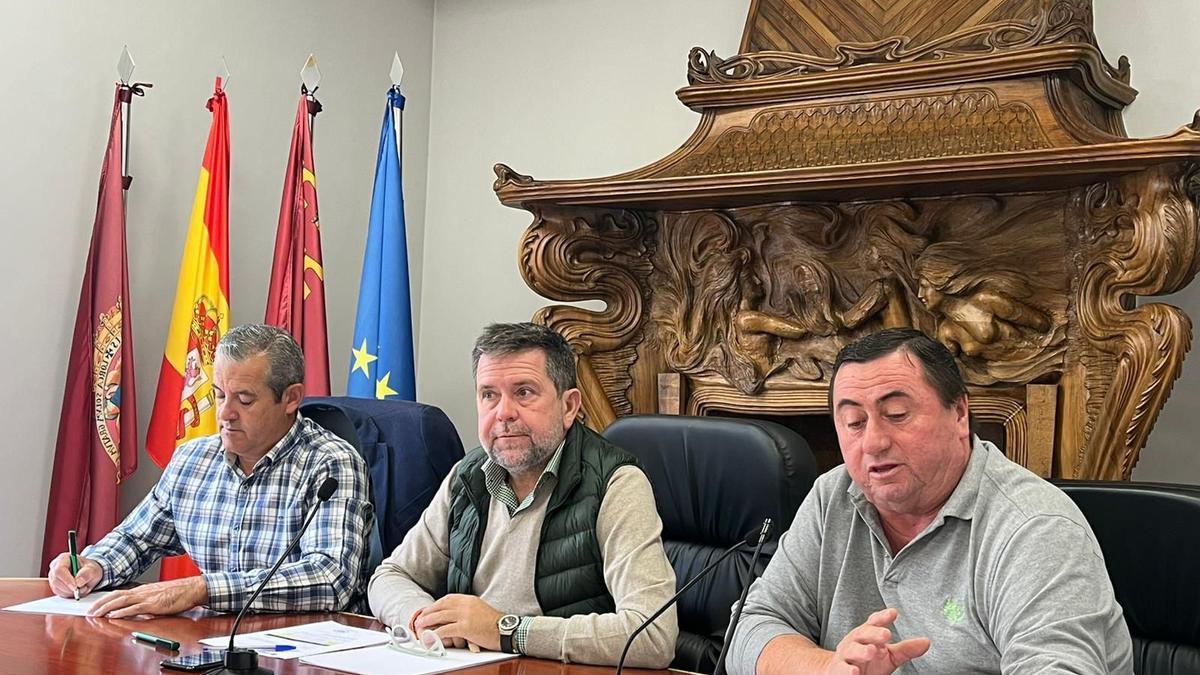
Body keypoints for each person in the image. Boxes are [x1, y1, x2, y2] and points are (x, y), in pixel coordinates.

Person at [726, 328, 1133, 674]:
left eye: (898, 414)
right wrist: (827, 668)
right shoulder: (832, 496)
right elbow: (748, 626)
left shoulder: (1036, 529)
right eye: (853, 422)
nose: (873, 442)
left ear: (959, 414)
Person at [368, 322, 677, 668]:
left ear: (569, 406)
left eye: (524, 392)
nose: (503, 413)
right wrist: (425, 620)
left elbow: (652, 636)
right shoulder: (467, 476)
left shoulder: (615, 483)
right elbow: (389, 577)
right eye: (489, 395)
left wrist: (505, 630)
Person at [46, 323, 374, 618]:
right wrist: (93, 566)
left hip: (301, 653)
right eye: (219, 395)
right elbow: (137, 539)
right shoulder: (194, 459)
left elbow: (330, 578)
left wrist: (201, 590)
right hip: (212, 643)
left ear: (291, 399)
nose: (225, 414)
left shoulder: (331, 463)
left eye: (244, 400)